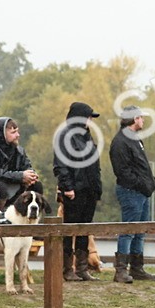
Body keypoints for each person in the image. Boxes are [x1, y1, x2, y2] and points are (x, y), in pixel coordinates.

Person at [53, 101, 103, 282]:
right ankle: (67, 269)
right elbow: (61, 165)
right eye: (89, 116)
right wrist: (68, 188)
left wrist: (97, 189)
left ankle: (82, 268)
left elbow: (94, 166)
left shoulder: (86, 136)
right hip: (75, 191)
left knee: (84, 229)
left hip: (89, 190)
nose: (90, 120)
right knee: (69, 230)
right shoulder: (65, 135)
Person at [109, 105, 155, 283]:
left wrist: (149, 182)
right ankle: (121, 270)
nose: (143, 120)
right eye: (140, 117)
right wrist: (142, 184)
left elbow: (141, 166)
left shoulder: (134, 139)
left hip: (141, 192)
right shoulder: (120, 142)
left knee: (140, 231)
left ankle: (137, 268)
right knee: (128, 230)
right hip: (131, 192)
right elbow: (122, 172)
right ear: (134, 119)